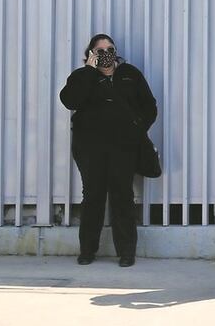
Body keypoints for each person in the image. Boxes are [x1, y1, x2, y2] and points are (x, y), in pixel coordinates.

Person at [59, 34, 157, 267]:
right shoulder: (82, 77)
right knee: (92, 197)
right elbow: (70, 101)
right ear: (91, 54)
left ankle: (126, 252)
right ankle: (87, 251)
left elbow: (149, 106)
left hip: (123, 148)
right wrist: (90, 72)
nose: (106, 54)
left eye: (110, 49)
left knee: (122, 196)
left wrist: (136, 131)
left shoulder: (129, 74)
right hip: (89, 149)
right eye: (99, 50)